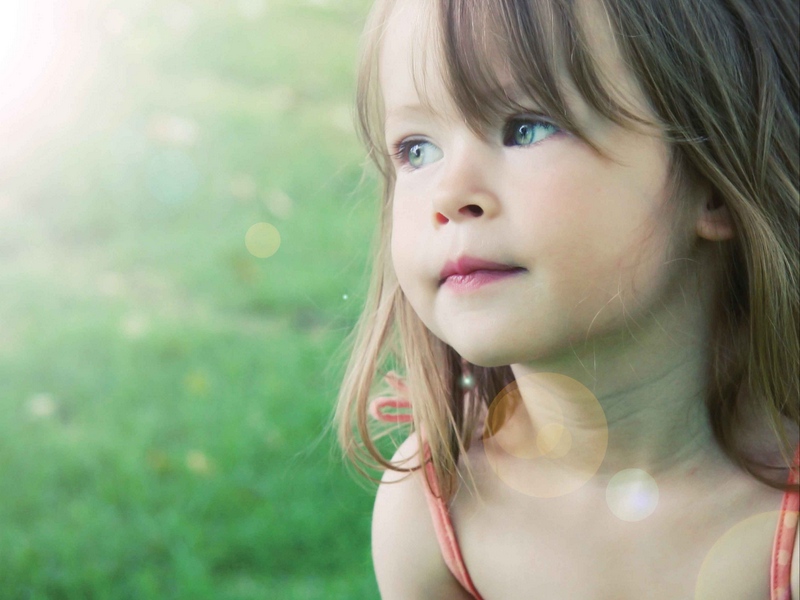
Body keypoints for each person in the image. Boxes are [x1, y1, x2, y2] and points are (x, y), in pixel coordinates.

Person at [335, 0, 799, 597]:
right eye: (416, 149)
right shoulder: (437, 507)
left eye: (526, 127)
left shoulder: (780, 548)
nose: (449, 194)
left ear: (713, 181)